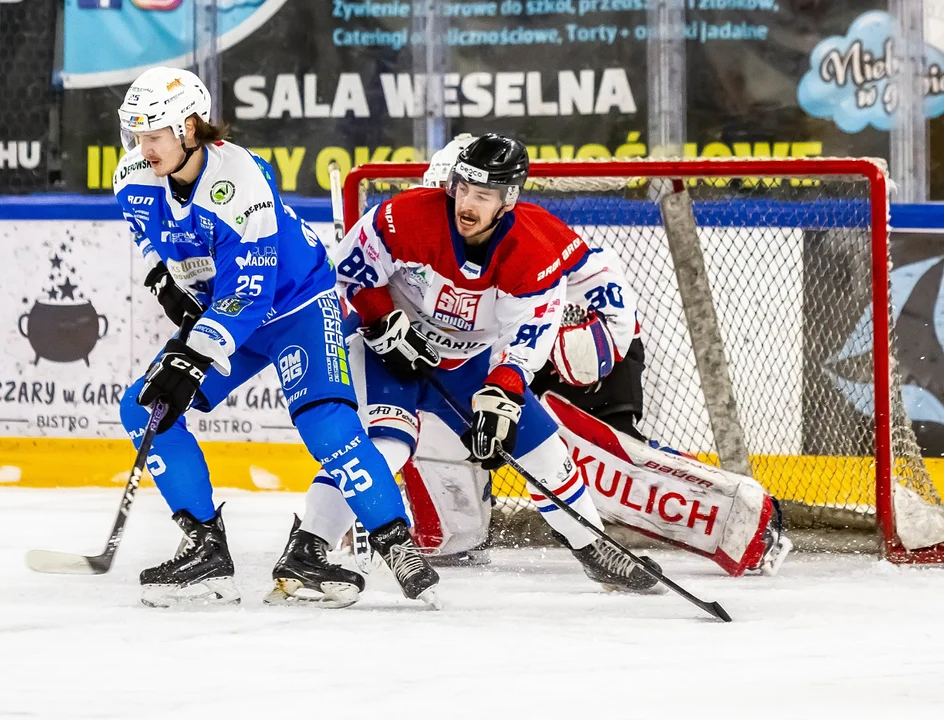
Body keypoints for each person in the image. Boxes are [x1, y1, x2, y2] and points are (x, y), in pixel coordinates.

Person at [112, 67, 440, 609]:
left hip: (297, 307)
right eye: (136, 135)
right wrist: (162, 282)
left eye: (153, 134)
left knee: (326, 424)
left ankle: (396, 543)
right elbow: (149, 236)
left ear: (190, 128)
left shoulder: (242, 182)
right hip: (226, 312)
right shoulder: (134, 176)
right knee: (145, 407)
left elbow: (251, 293)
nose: (141, 148)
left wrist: (192, 356)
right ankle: (205, 550)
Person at [399, 136, 792, 577]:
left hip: (585, 355)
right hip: (515, 363)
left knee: (596, 460)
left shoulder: (534, 241)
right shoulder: (435, 237)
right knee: (436, 420)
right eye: (446, 195)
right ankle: (455, 535)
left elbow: (602, 320)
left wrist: (561, 348)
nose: (451, 207)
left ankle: (745, 520)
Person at [300, 132, 665, 594]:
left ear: (507, 199)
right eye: (460, 189)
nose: (464, 204)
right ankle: (307, 546)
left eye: (483, 194)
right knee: (383, 448)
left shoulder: (532, 248)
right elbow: (351, 272)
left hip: (468, 360)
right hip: (390, 352)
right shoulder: (407, 216)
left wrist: (504, 392)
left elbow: (527, 336)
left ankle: (592, 548)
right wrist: (382, 322)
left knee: (546, 452)